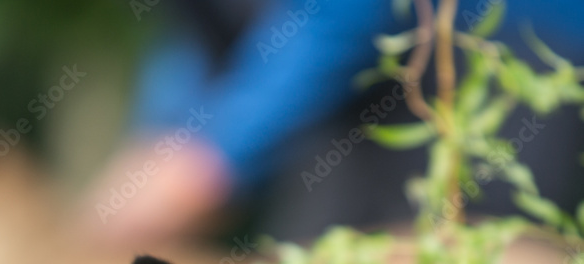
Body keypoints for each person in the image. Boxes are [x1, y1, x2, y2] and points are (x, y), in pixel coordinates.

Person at [85, 0, 584, 245]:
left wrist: (211, 160)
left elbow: (343, 15)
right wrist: (163, 139)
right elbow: (202, 38)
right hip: (351, 98)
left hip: (495, 61)